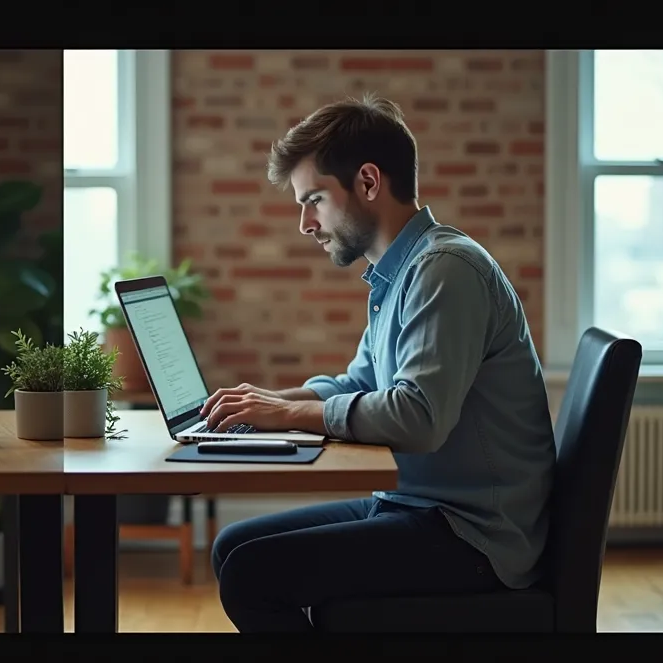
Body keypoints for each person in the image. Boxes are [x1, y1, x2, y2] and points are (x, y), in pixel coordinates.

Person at [202, 94, 556, 632]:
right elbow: (361, 382)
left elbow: (416, 418)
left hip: (472, 534)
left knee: (250, 573)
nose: (305, 223)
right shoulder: (401, 274)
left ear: (368, 182)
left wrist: (291, 416)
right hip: (420, 506)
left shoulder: (445, 270)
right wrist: (273, 402)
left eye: (314, 199)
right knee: (234, 546)